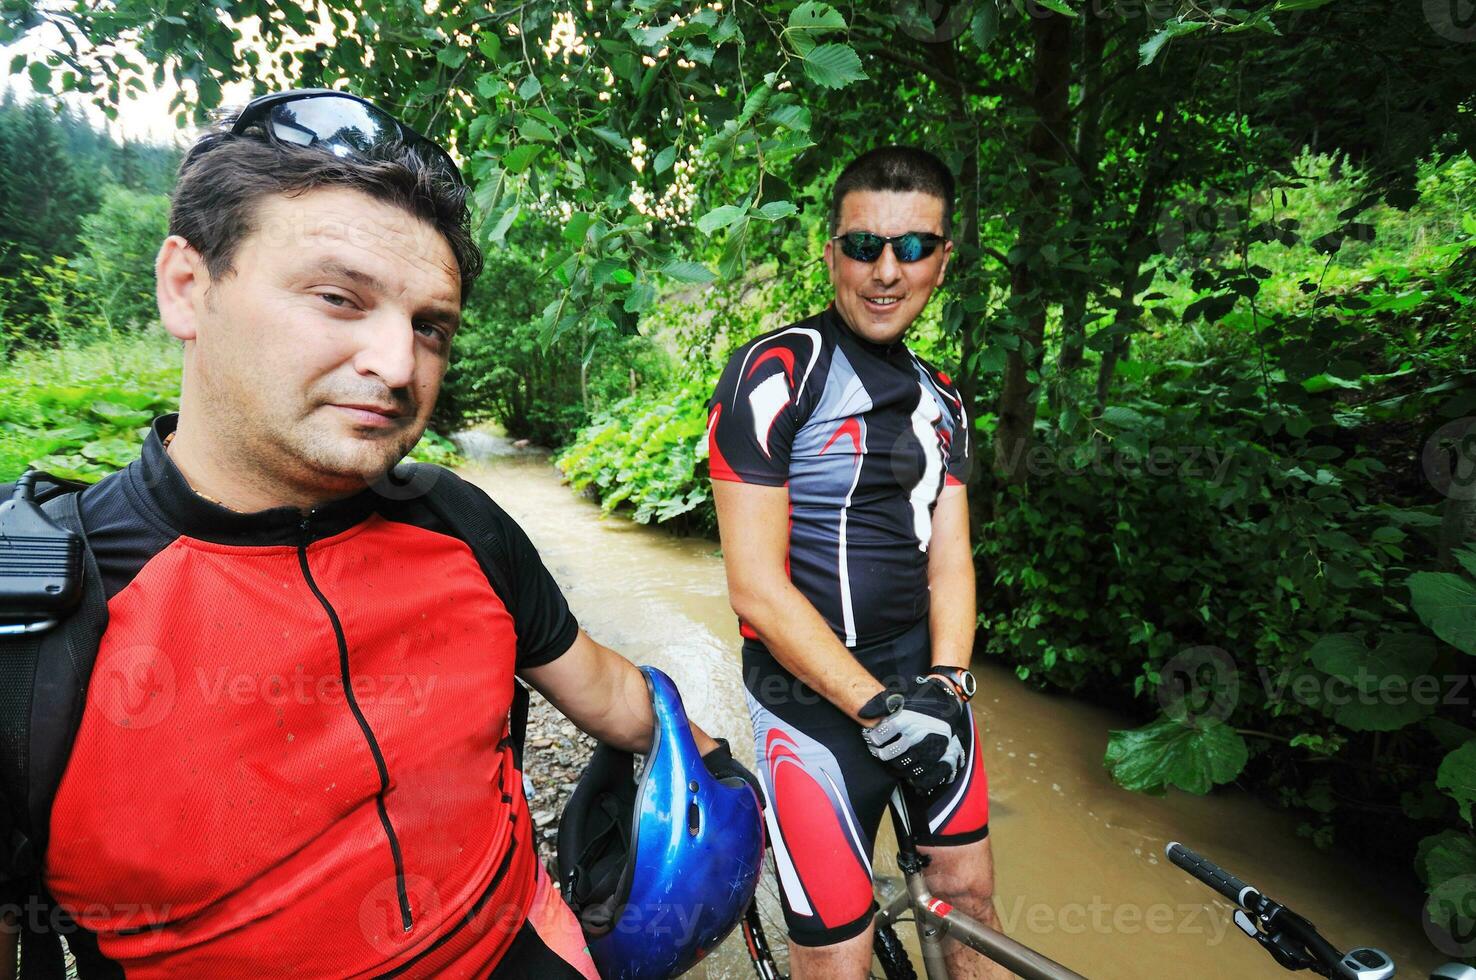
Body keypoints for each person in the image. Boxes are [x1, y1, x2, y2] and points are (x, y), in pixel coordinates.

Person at [0, 88, 755, 979]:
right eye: (337, 297)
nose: (398, 367)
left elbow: (611, 693)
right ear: (187, 286)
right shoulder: (36, 621)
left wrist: (732, 776)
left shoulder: (460, 522)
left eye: (429, 325)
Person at [707, 146, 1012, 979]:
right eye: (863, 245)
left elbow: (951, 563)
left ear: (943, 259)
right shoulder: (774, 374)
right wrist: (878, 713)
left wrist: (947, 687)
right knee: (838, 956)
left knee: (970, 903)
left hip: (923, 684)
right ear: (830, 249)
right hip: (810, 708)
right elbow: (756, 590)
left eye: (913, 247)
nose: (887, 271)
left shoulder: (943, 396)